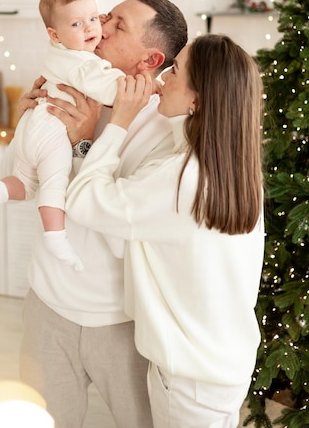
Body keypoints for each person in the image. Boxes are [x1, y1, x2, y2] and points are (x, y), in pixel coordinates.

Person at [65, 33, 265, 428]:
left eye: (177, 69)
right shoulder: (230, 168)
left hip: (190, 380)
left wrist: (116, 122)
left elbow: (83, 201)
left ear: (197, 99)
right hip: (219, 367)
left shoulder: (182, 179)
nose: (163, 77)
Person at [16, 0, 188, 428]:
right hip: (46, 306)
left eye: (117, 26)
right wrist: (24, 127)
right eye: (107, 15)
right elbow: (22, 184)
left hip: (118, 321)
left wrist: (83, 144)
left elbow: (118, 233)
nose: (99, 26)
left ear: (149, 62)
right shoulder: (64, 85)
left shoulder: (163, 130)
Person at [0, 0, 125, 271]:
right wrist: (143, 88)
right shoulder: (84, 64)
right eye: (79, 23)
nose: (94, 28)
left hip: (33, 123)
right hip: (51, 131)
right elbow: (112, 90)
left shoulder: (59, 51)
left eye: (95, 18)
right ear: (54, 34)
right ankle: (56, 237)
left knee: (25, 185)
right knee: (54, 184)